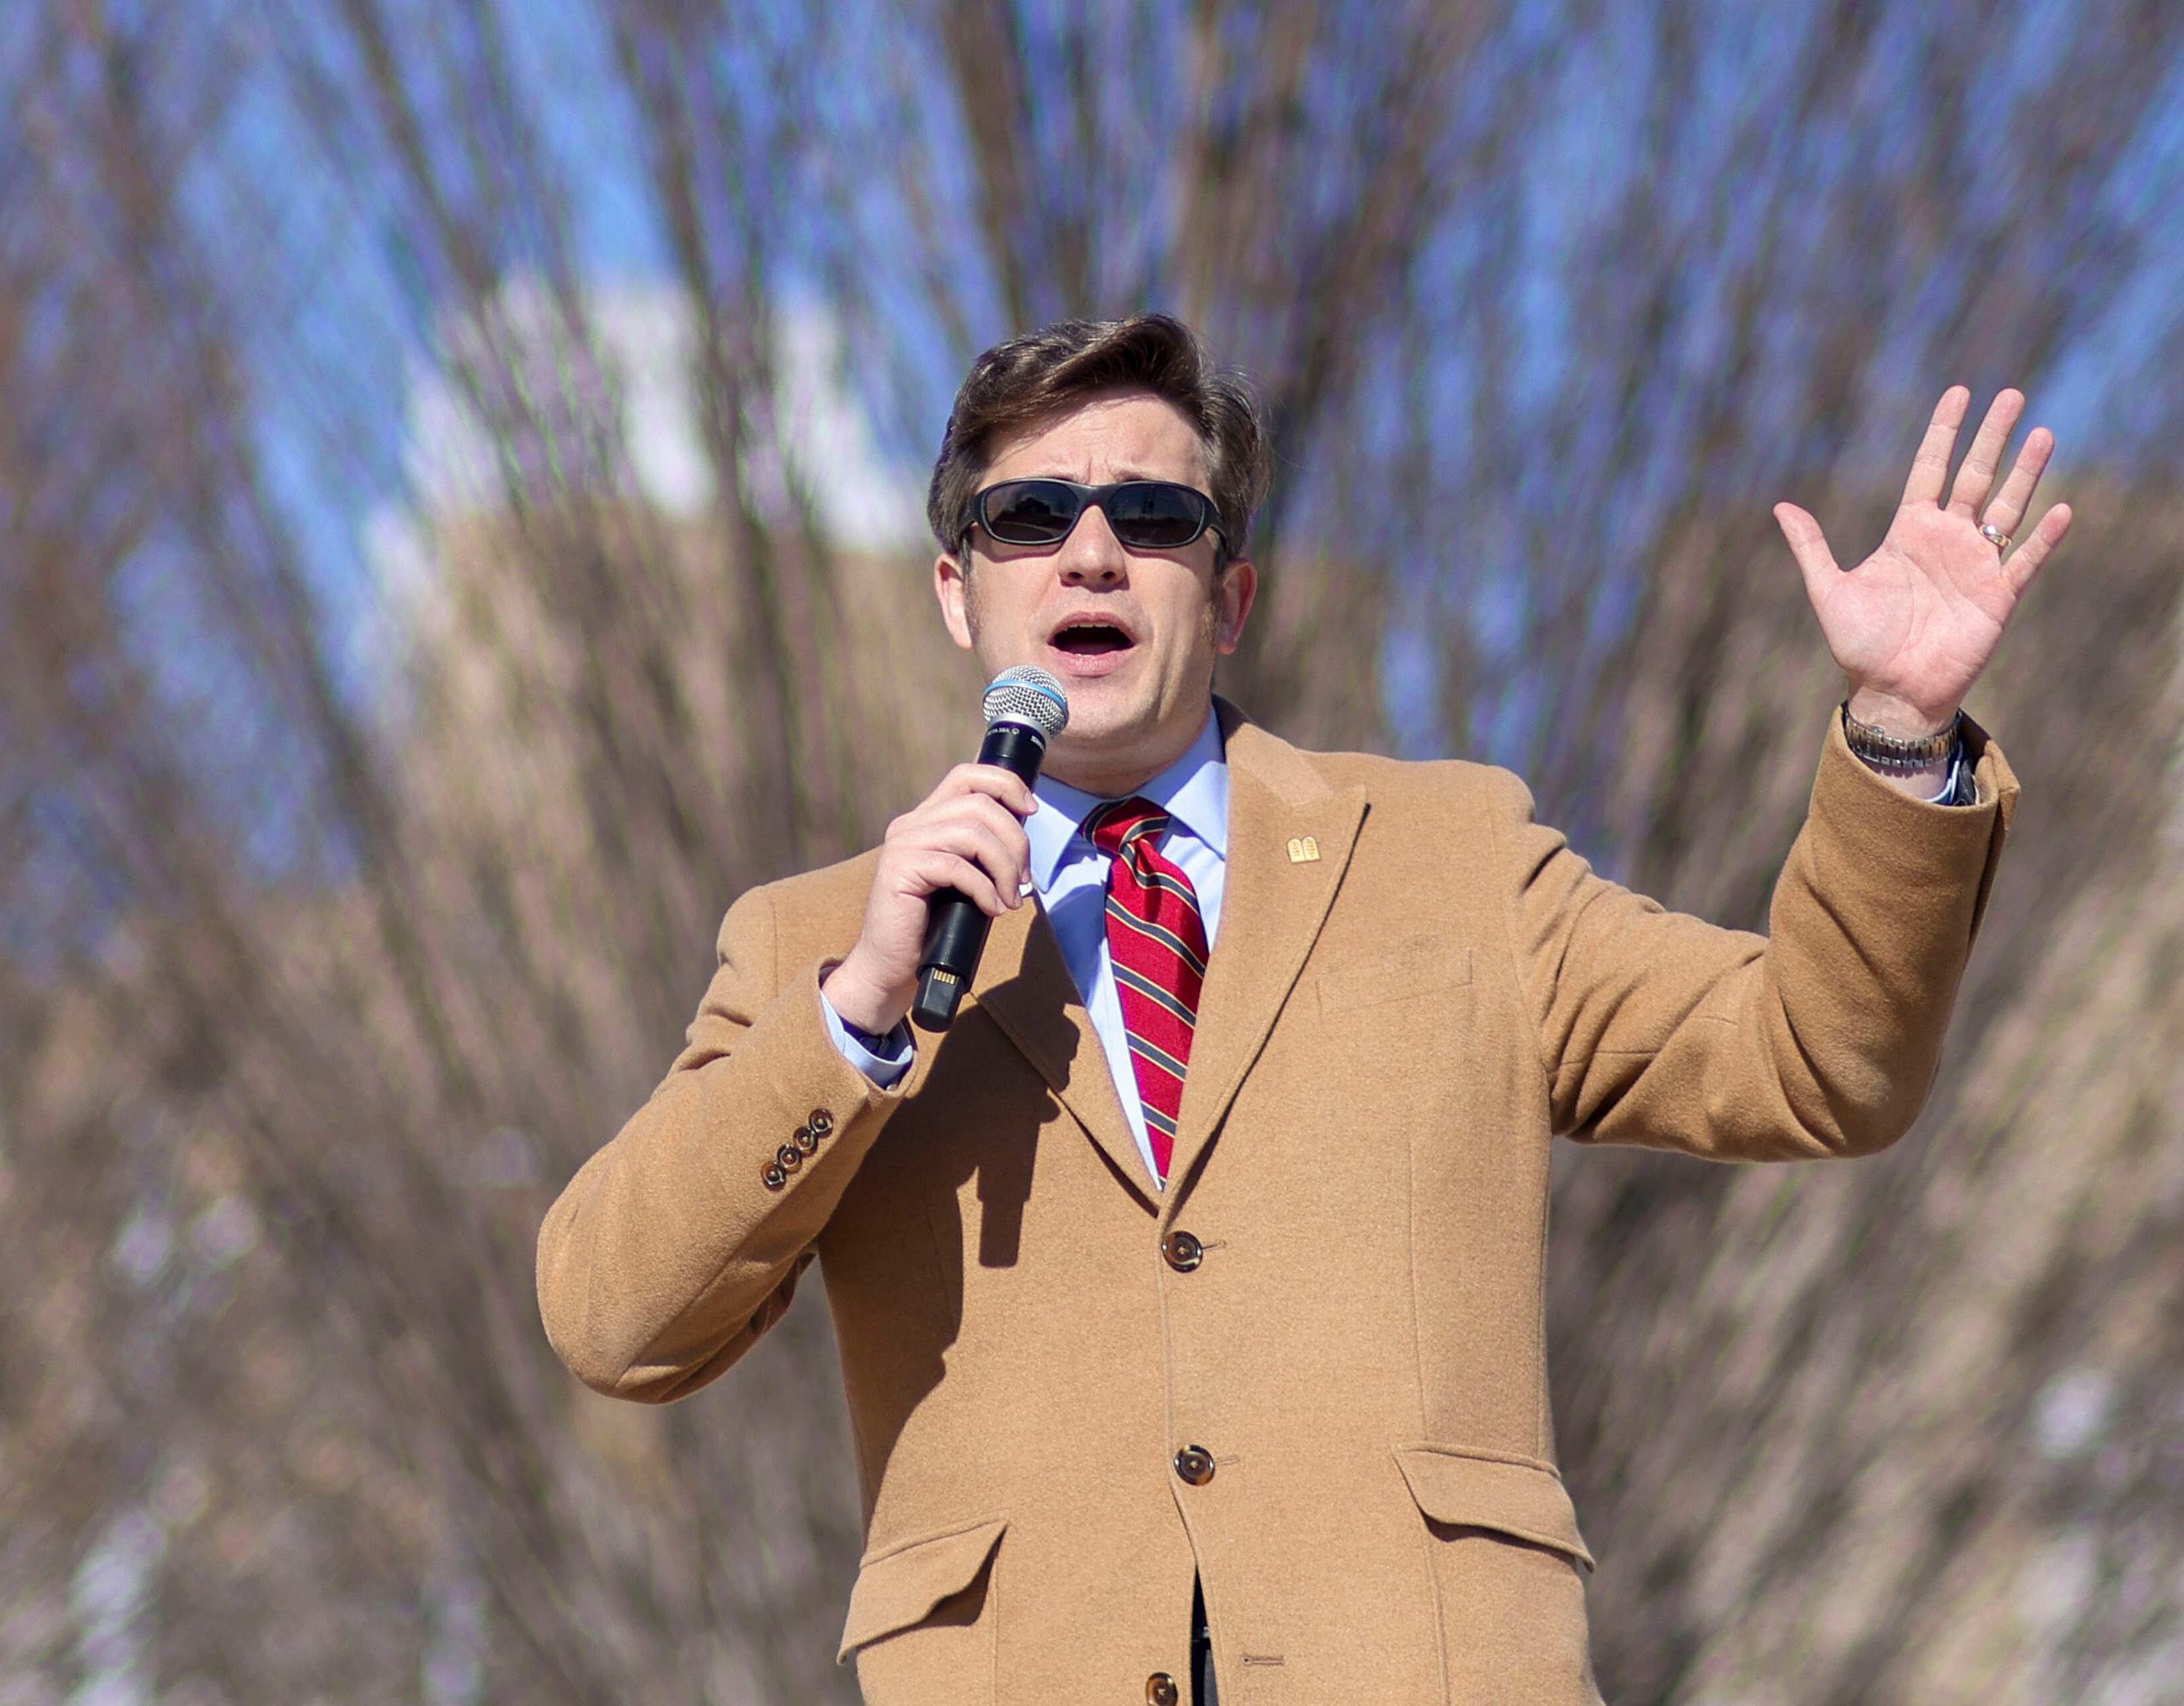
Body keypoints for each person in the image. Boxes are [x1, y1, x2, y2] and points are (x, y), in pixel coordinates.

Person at [536, 313, 2066, 1705]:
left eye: (1153, 516)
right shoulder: (822, 941)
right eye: (1029, 517)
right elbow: (615, 1318)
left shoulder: (1455, 860)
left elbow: (1819, 1062)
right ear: (959, 591)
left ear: (1232, 590)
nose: (1090, 554)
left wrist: (1898, 729)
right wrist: (860, 1012)